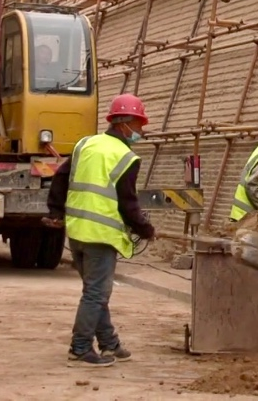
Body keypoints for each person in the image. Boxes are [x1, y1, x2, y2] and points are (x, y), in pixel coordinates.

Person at [46, 93, 156, 367]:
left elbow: (60, 176)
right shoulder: (126, 156)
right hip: (101, 234)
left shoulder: (86, 143)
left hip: (77, 231)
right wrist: (146, 229)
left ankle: (109, 343)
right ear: (125, 124)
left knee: (95, 291)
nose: (140, 132)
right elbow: (128, 203)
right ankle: (80, 347)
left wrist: (56, 212)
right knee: (96, 293)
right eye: (140, 126)